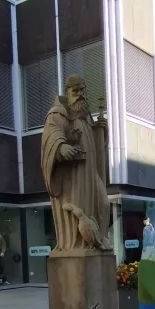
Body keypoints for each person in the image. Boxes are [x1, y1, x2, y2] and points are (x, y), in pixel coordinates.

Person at [40, 75, 111, 251]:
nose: (80, 94)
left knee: (103, 203)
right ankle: (78, 244)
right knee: (80, 209)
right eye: (75, 91)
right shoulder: (58, 113)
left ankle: (98, 239)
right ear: (67, 92)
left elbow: (94, 145)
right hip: (73, 175)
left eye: (82, 90)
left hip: (90, 170)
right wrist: (61, 146)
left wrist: (101, 130)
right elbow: (52, 134)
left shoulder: (85, 115)